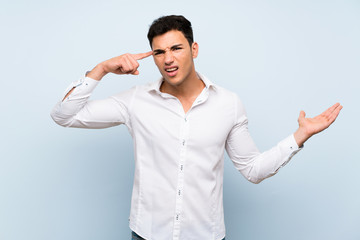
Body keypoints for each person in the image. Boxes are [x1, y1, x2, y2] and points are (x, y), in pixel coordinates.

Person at [51, 15, 342, 240]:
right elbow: (64, 115)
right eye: (158, 52)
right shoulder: (136, 101)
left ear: (194, 49)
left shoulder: (228, 103)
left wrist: (300, 136)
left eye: (176, 48)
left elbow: (253, 170)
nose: (168, 59)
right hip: (147, 234)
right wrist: (100, 69)